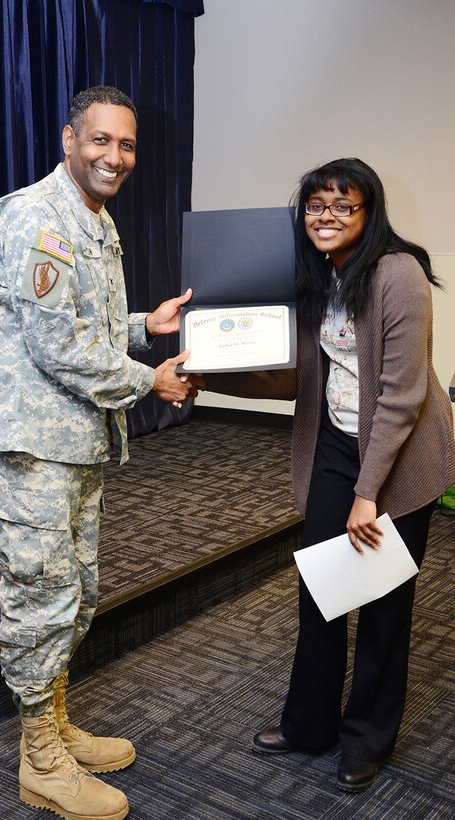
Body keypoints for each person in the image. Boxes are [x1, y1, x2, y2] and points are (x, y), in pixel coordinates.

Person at [0, 85, 198, 820]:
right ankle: (40, 760)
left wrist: (142, 325)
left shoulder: (91, 219)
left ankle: (58, 725)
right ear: (69, 139)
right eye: (101, 140)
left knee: (75, 596)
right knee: (41, 601)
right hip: (33, 448)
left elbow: (85, 323)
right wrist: (149, 378)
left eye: (127, 144)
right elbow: (56, 343)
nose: (115, 156)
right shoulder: (38, 217)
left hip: (75, 443)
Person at [198, 158, 455, 793]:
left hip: (401, 454)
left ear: (370, 214)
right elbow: (297, 377)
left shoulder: (399, 275)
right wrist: (210, 377)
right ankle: (308, 724)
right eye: (316, 205)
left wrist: (369, 495)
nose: (327, 217)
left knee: (383, 601)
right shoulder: (318, 276)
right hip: (338, 444)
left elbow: (400, 396)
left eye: (343, 206)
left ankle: (365, 737)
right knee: (323, 586)